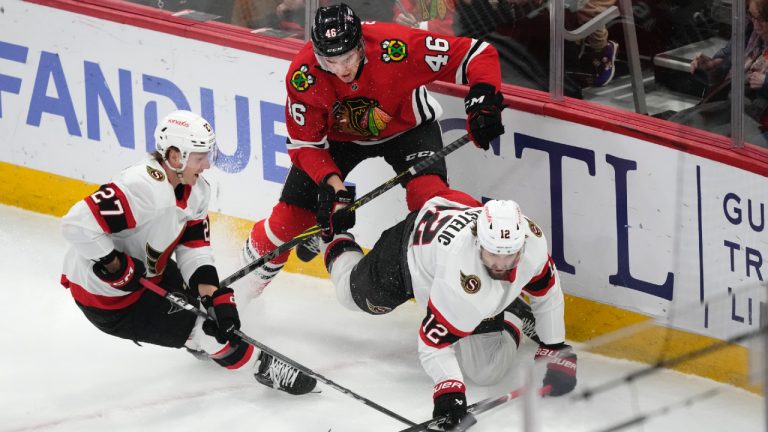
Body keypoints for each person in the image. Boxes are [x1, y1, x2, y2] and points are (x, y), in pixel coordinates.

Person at [240, 3, 505, 299]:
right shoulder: (304, 75)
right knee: (287, 222)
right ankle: (240, 295)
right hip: (339, 141)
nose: (342, 70)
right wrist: (333, 185)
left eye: (348, 57)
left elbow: (477, 53)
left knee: (430, 199)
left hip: (407, 129)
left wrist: (484, 100)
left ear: (361, 45)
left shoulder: (397, 47)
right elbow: (305, 144)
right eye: (330, 61)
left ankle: (488, 267)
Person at [60, 110, 317, 395]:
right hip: (107, 300)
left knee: (211, 309)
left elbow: (194, 248)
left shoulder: (197, 191)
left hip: (148, 274)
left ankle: (200, 340)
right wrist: (115, 266)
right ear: (174, 157)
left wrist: (212, 294)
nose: (207, 164)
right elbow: (76, 225)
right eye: (200, 156)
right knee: (206, 331)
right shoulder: (140, 188)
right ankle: (262, 367)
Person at [318, 188, 577, 429]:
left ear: (521, 245)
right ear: (478, 241)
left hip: (459, 250)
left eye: (508, 254)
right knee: (349, 295)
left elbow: (548, 295)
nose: (500, 265)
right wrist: (449, 391)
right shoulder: (462, 274)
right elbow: (433, 343)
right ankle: (332, 237)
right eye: (493, 254)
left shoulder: (533, 243)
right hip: (407, 255)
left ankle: (512, 310)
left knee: (487, 371)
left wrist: (556, 349)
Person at [670, 0, 768, 147]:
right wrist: (711, 65)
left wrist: (765, 83)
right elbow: (728, 55)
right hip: (735, 102)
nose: (755, 25)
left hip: (755, 115)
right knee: (681, 122)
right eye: (751, 16)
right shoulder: (750, 30)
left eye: (760, 19)